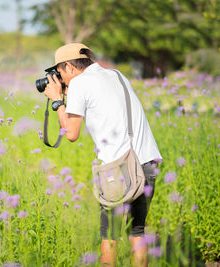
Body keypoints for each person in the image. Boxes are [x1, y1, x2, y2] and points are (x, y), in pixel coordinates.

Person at [43, 43, 162, 267]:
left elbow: (71, 133)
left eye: (59, 72)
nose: (60, 78)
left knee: (110, 236)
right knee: (137, 232)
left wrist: (58, 100)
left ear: (68, 66)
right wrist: (68, 93)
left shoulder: (79, 83)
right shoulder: (116, 75)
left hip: (120, 167)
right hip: (148, 161)